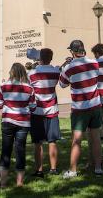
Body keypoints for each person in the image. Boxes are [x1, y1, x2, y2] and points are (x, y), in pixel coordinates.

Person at [59, 39, 103, 178]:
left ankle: (73, 170)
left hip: (79, 109)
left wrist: (66, 66)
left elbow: (62, 84)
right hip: (95, 106)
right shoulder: (94, 63)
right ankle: (98, 168)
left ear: (72, 51)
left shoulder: (69, 67)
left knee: (76, 140)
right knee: (96, 139)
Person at [0, 63, 36, 188]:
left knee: (6, 151)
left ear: (11, 72)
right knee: (20, 151)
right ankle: (19, 183)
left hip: (7, 121)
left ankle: (3, 183)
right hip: (23, 122)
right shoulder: (29, 88)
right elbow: (33, 107)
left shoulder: (3, 86)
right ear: (23, 72)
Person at [28, 48, 61, 177]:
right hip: (52, 110)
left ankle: (39, 170)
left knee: (38, 143)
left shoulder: (32, 73)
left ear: (40, 58)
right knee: (52, 141)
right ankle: (53, 169)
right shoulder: (55, 71)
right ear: (51, 58)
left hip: (37, 111)